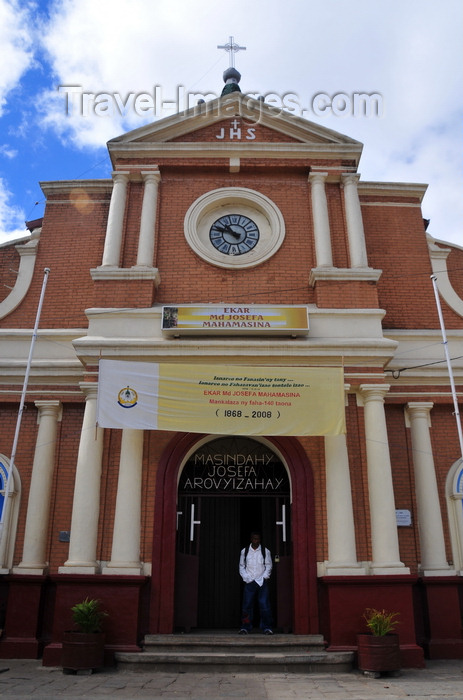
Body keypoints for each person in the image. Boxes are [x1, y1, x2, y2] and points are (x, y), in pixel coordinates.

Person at [239, 531, 273, 634]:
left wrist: (264, 577)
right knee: (247, 605)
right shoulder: (244, 551)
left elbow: (269, 565)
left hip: (261, 582)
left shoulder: (265, 551)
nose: (256, 541)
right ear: (251, 539)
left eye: (258, 539)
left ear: (260, 539)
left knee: (264, 605)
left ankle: (267, 628)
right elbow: (241, 566)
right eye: (254, 539)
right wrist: (246, 578)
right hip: (249, 582)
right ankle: (245, 627)